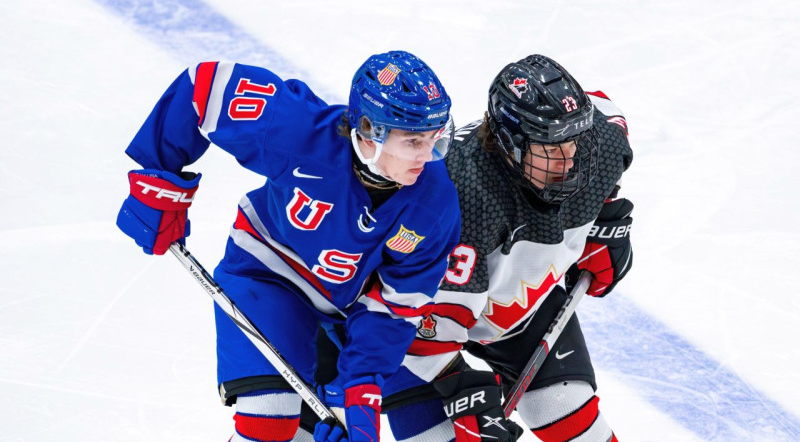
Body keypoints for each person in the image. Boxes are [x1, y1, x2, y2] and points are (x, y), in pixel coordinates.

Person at [115, 50, 462, 442]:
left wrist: (358, 396)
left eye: (434, 138)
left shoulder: (435, 204)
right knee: (269, 418)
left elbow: (394, 308)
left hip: (344, 312)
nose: (427, 156)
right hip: (266, 272)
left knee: (317, 431)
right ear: (368, 129)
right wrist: (159, 180)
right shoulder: (297, 131)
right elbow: (205, 87)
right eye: (413, 141)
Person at [308, 54, 633, 442]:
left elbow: (605, 113)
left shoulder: (599, 142)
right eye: (551, 147)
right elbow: (417, 326)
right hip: (414, 334)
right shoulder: (461, 202)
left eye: (576, 141)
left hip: (517, 306)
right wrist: (464, 390)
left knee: (571, 416)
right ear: (512, 143)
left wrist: (605, 214)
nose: (571, 159)